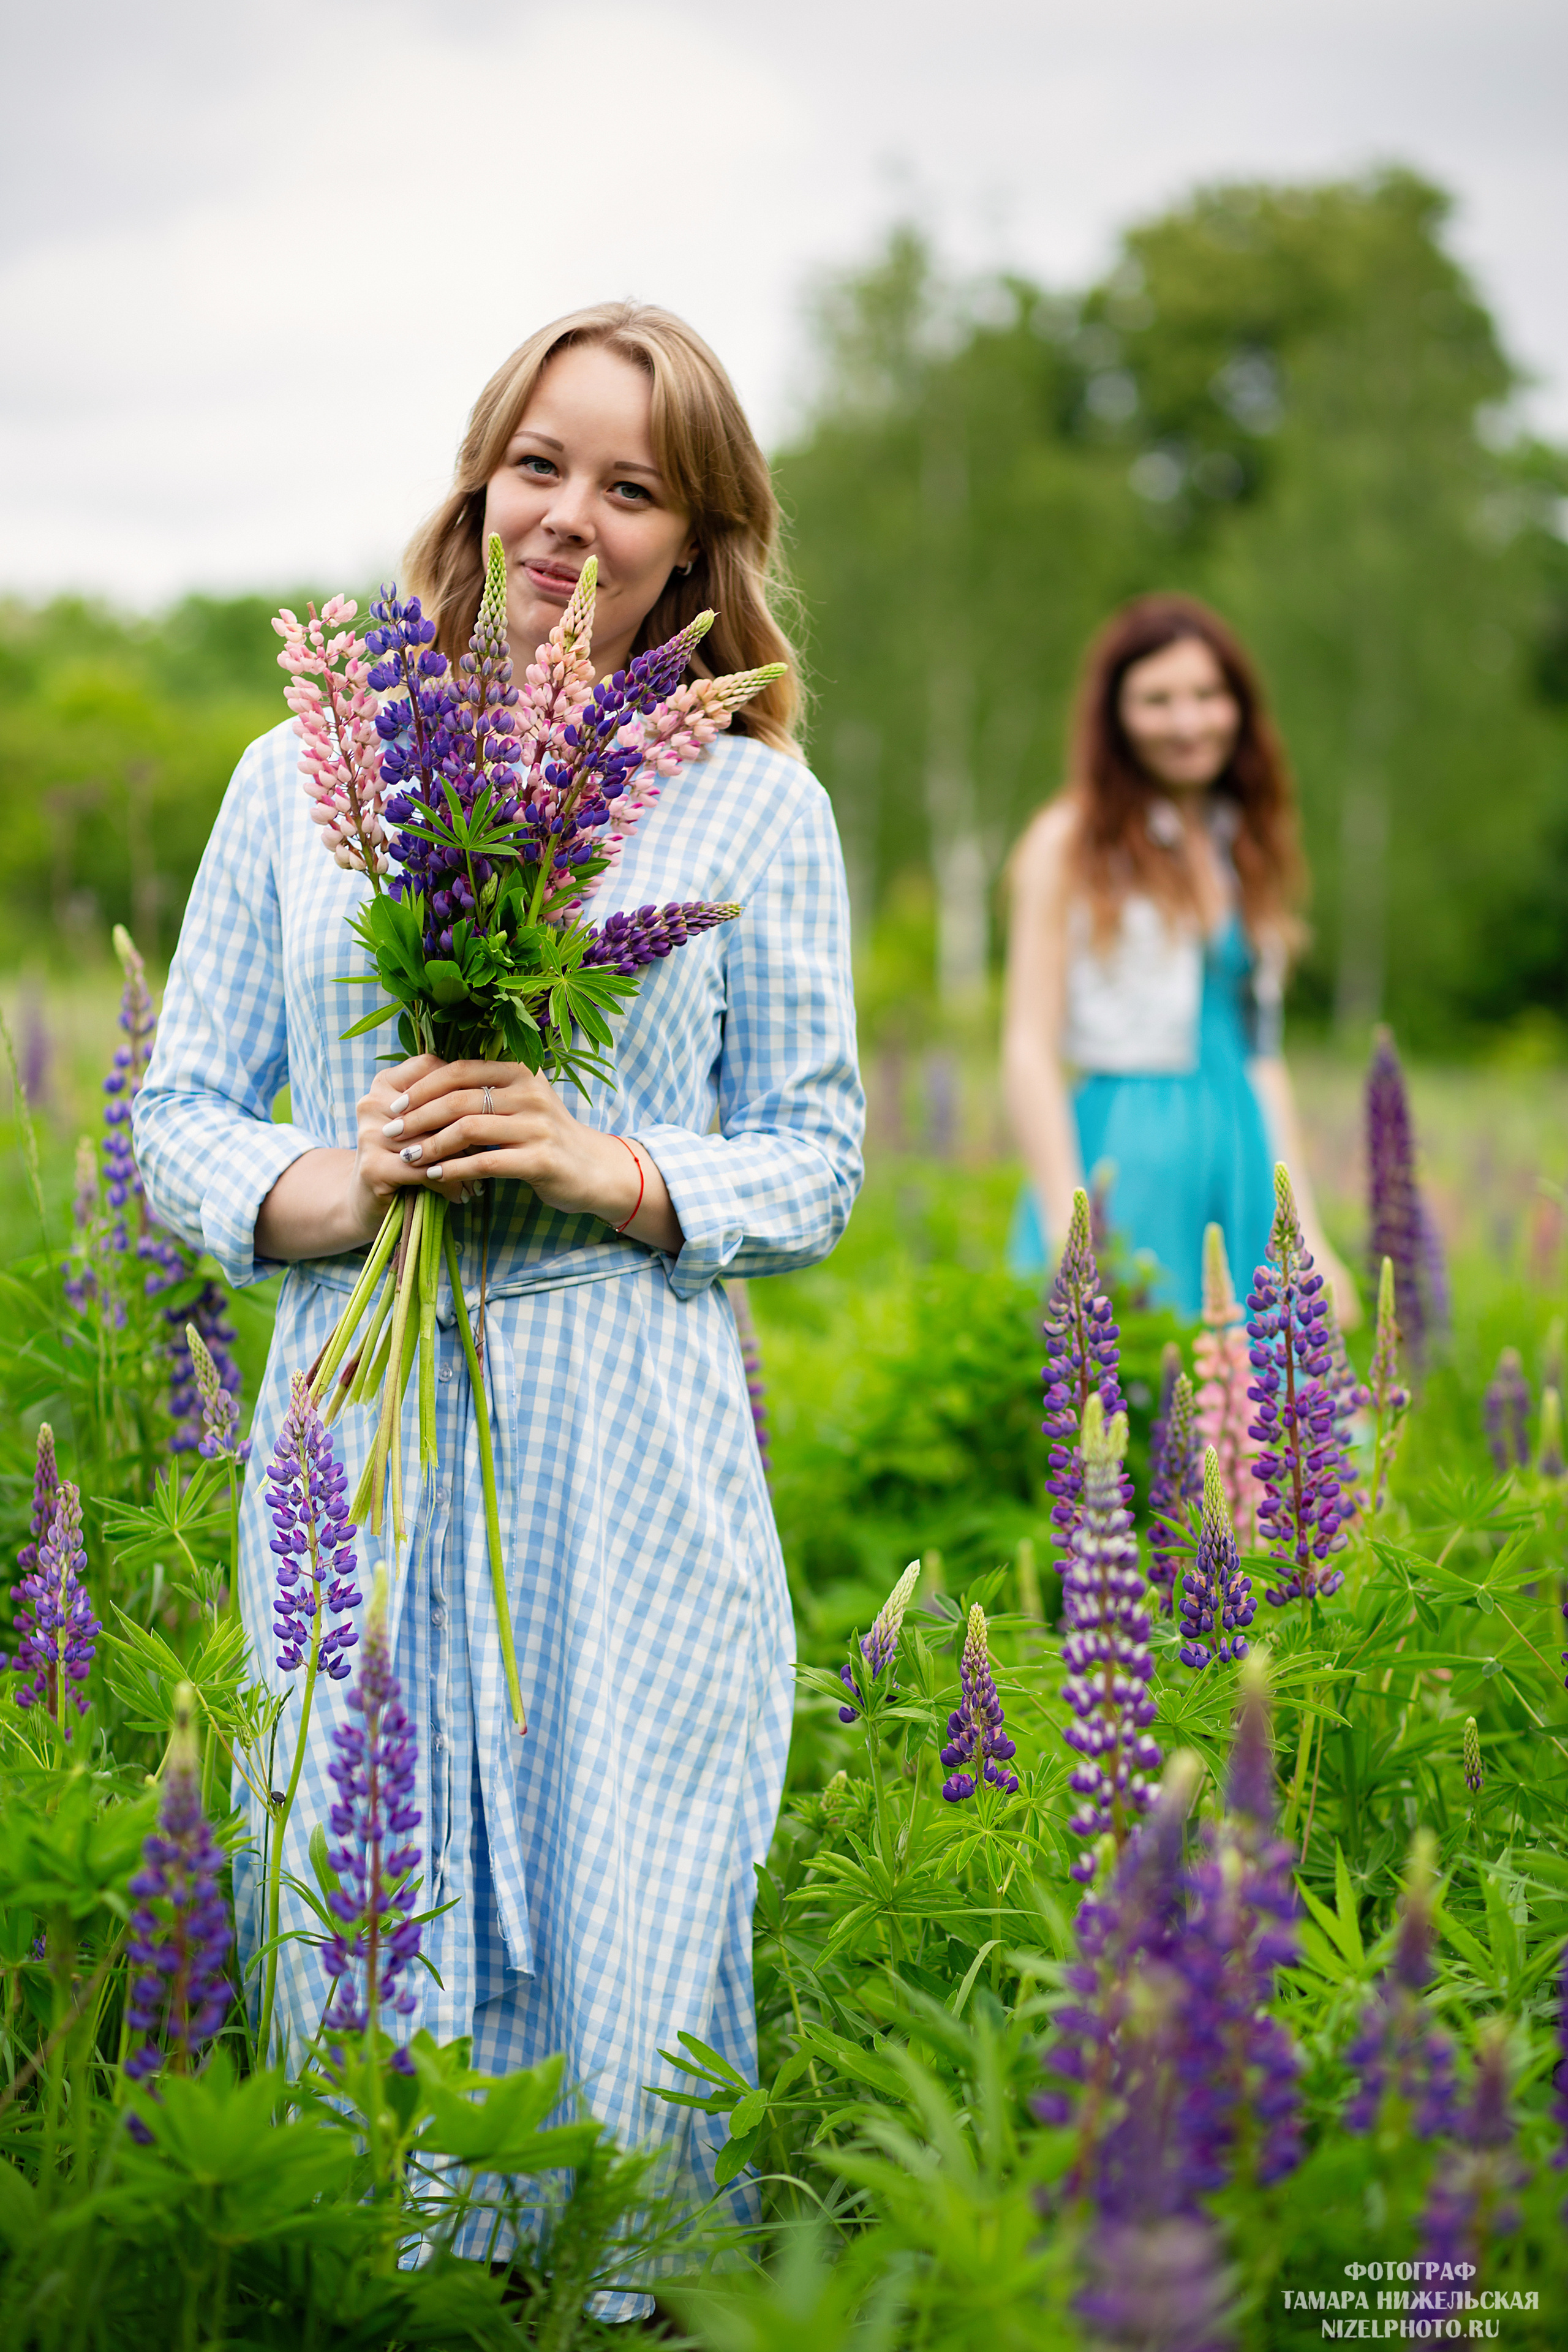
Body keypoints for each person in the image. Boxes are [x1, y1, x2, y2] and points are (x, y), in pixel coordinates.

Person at [134, 304, 864, 2308]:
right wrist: (336, 1183)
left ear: (697, 540)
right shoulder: (304, 771)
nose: (571, 516)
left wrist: (609, 1164)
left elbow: (815, 1157)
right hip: (358, 1424)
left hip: (627, 1434)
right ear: (481, 477)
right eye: (542, 461)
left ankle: (611, 2301)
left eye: (634, 486)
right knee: (354, 1898)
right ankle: (386, 2290)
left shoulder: (753, 810)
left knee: (627, 1902)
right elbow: (176, 1110)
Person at [1001, 594, 1356, 1320]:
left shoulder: (1245, 842)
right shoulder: (1068, 840)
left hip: (1244, 1145)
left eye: (1206, 695)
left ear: (1239, 707)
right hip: (1127, 1151)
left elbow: (1263, 1054)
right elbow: (1027, 1049)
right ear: (1117, 719)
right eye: (1157, 700)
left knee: (1273, 1409)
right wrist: (1067, 1223)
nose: (1187, 721)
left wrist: (1309, 1230)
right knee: (1128, 1393)